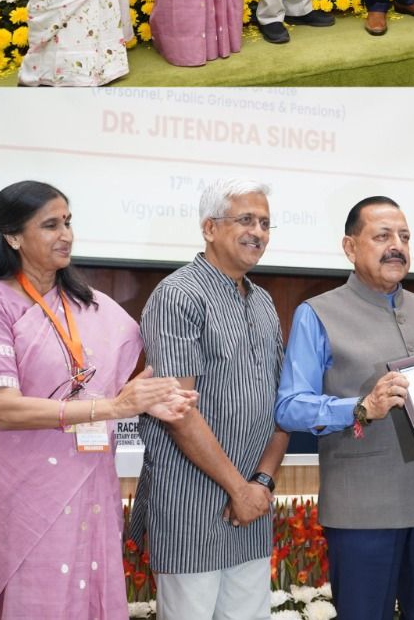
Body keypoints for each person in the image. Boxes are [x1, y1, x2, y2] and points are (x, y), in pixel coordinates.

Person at [0, 181, 193, 618]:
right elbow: (1, 408)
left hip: (89, 476)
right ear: (13, 237)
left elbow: (112, 387)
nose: (66, 234)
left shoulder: (92, 305)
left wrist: (147, 400)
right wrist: (115, 407)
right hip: (17, 485)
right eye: (50, 225)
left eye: (68, 222)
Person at [275, 197, 414, 620]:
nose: (396, 246)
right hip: (361, 512)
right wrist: (362, 407)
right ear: (350, 247)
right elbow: (290, 406)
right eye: (382, 236)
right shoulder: (318, 314)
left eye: (404, 237)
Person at [131, 179, 289, 620]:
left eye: (265, 223)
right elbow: (178, 410)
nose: (258, 232)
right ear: (209, 228)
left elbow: (281, 406)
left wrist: (262, 483)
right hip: (191, 504)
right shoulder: (179, 295)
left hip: (251, 506)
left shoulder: (263, 301)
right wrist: (240, 489)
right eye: (246, 220)